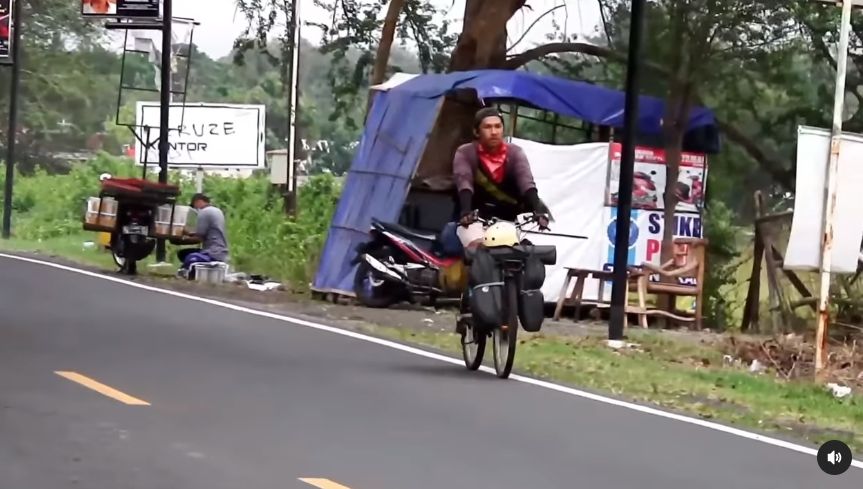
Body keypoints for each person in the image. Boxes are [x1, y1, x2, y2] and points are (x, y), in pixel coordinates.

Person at [452, 106, 550, 250]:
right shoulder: (465, 153)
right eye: (487, 127)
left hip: (507, 220)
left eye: (498, 126)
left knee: (517, 255)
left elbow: (526, 182)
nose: (494, 132)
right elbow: (464, 181)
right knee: (479, 250)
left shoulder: (515, 153)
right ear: (476, 131)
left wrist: (538, 210)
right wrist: (466, 212)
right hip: (474, 219)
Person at [177, 193, 230, 277]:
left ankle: (189, 273)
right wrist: (187, 233)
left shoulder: (204, 212)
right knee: (183, 253)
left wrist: (180, 240)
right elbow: (206, 233)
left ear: (198, 201)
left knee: (187, 256)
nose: (195, 209)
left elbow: (199, 239)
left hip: (212, 253)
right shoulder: (216, 211)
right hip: (221, 251)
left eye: (194, 205)